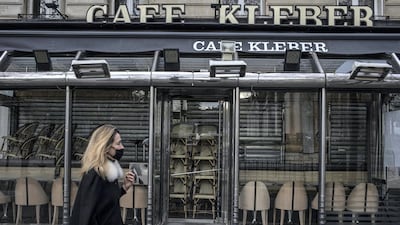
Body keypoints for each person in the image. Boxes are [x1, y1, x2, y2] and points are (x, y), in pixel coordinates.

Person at [71, 124, 136, 225]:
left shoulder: (106, 174)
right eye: (118, 143)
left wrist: (124, 188)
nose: (122, 147)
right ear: (105, 147)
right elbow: (86, 214)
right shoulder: (94, 174)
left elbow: (107, 203)